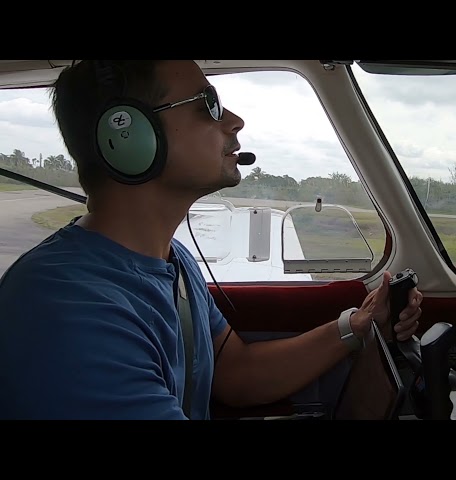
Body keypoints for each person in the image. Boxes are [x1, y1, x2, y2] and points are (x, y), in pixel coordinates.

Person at [0, 60, 422, 420]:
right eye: (208, 104)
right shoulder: (67, 310)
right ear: (128, 137)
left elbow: (234, 370)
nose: (234, 121)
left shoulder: (172, 259)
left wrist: (357, 325)